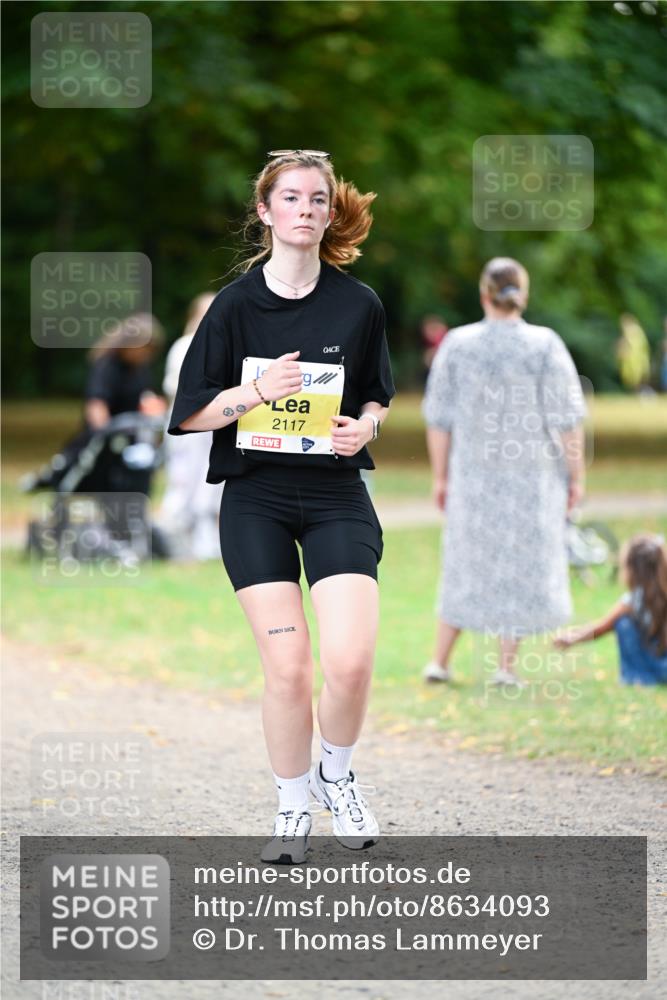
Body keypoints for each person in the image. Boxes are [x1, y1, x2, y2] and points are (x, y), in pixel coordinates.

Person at [167, 149, 395, 862]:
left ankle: (336, 775)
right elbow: (193, 414)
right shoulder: (234, 307)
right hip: (255, 500)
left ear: (329, 214)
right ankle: (291, 809)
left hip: (335, 494)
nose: (305, 209)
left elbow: (375, 393)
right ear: (265, 212)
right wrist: (258, 393)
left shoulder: (358, 304)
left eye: (317, 199)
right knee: (289, 669)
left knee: (351, 662)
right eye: (290, 198)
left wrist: (366, 425)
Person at [421, 257, 587, 687]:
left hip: (472, 475)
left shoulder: (456, 344)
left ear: (483, 294)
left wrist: (440, 477)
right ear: (523, 295)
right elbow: (567, 416)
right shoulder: (545, 345)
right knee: (517, 563)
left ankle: (439, 660)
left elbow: (438, 418)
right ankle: (505, 667)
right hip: (532, 477)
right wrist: (577, 476)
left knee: (463, 561)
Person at [158, 293, 223, 560]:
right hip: (188, 429)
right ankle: (172, 538)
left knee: (211, 485)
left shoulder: (223, 345)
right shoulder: (184, 346)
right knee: (184, 482)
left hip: (213, 429)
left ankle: (207, 541)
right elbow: (176, 389)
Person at [554, 535, 667, 685]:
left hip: (648, 669)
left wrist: (572, 637)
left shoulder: (631, 601)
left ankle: (636, 676)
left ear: (632, 569)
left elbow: (600, 628)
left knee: (623, 623)